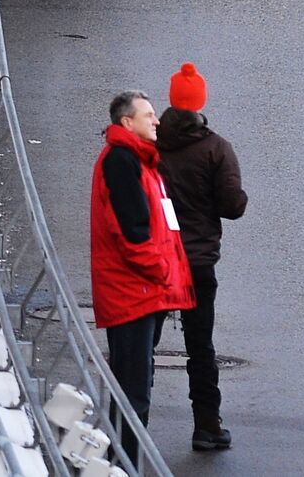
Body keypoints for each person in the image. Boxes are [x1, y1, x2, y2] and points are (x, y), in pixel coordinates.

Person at [91, 91, 195, 460]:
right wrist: (163, 270)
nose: (156, 121)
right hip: (134, 292)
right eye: (148, 115)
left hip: (145, 291)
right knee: (134, 390)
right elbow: (133, 231)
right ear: (126, 123)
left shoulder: (141, 160)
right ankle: (123, 464)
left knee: (136, 385)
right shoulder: (122, 161)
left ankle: (121, 461)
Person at [158, 63, 248, 452]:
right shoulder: (215, 149)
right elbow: (233, 206)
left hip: (156, 260)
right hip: (197, 262)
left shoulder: (151, 145)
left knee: (142, 344)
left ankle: (128, 422)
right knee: (201, 345)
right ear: (199, 104)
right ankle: (207, 427)